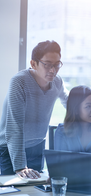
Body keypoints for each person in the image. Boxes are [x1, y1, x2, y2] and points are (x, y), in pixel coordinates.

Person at [0, 40, 68, 178]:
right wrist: (20, 167)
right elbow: (14, 126)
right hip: (10, 148)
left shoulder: (57, 82)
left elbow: (69, 102)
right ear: (33, 64)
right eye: (47, 64)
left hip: (37, 146)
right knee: (14, 195)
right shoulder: (19, 82)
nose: (53, 70)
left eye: (57, 65)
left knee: (36, 192)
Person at [54, 86, 91, 164]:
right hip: (71, 176)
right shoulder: (62, 132)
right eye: (88, 106)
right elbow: (61, 164)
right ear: (76, 110)